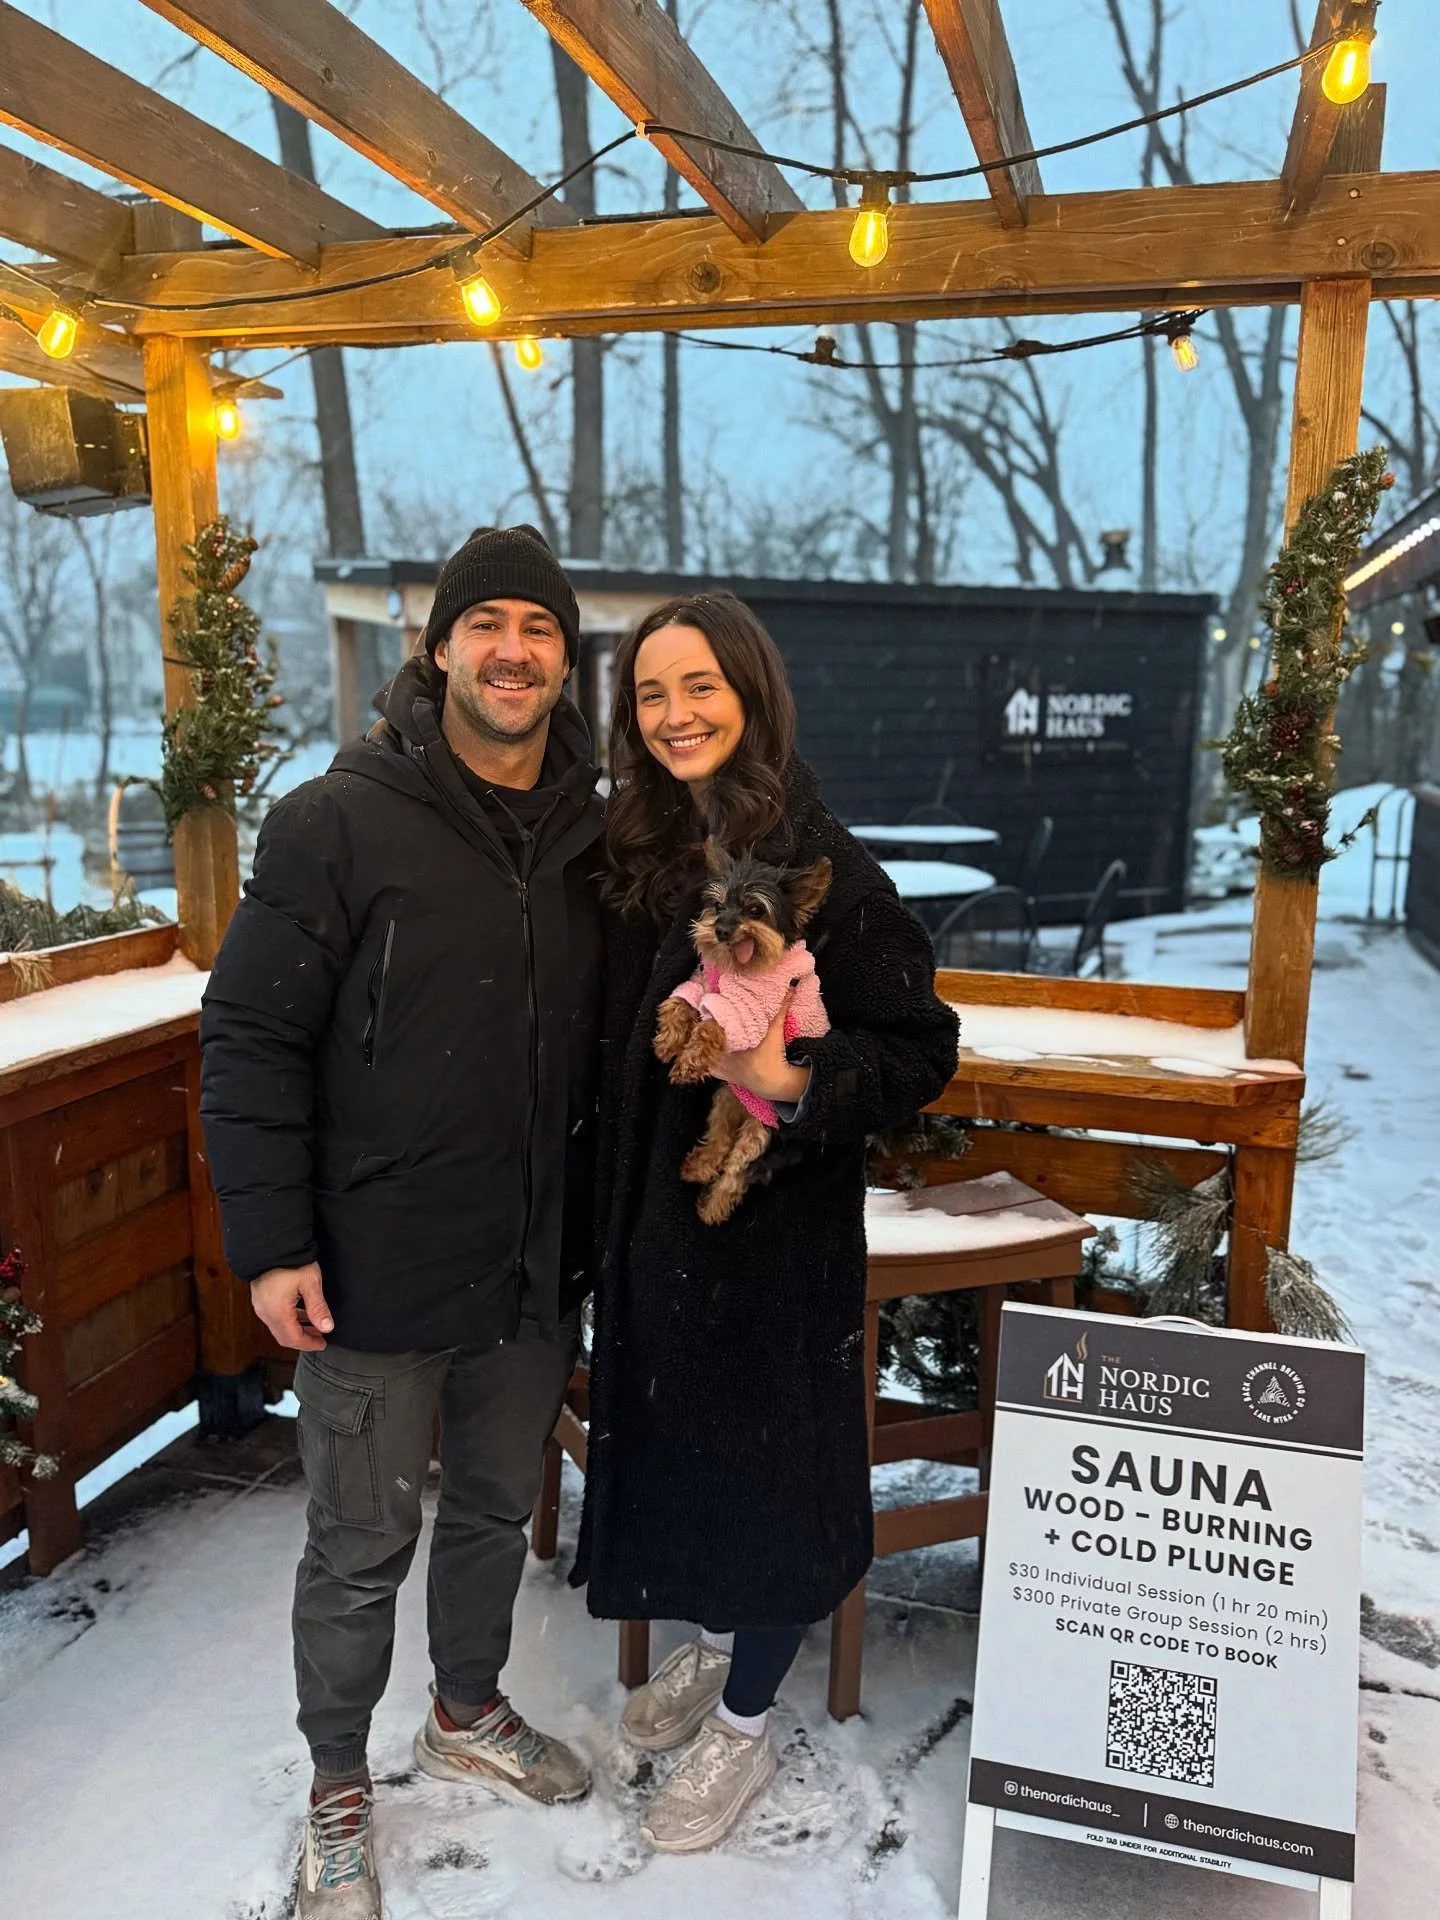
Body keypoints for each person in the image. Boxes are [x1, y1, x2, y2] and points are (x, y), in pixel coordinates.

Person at [200, 526, 604, 1919]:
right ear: (437, 651)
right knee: (359, 1541)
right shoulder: (339, 819)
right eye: (483, 624)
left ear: (565, 657)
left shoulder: (595, 828)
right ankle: (334, 1783)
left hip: (532, 1266)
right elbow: (249, 1033)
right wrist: (271, 1242)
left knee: (494, 1505)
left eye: (537, 628)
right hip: (371, 1268)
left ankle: (467, 1709)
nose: (511, 649)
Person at [575, 590, 959, 1853]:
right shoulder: (639, 842)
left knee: (769, 1483)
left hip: (773, 1236)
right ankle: (721, 1644)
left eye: (701, 687)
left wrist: (799, 1086)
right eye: (650, 693)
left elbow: (918, 1041)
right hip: (657, 1218)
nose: (676, 715)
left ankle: (746, 1721)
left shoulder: (818, 859)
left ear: (750, 695)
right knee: (692, 1459)